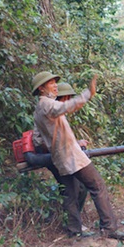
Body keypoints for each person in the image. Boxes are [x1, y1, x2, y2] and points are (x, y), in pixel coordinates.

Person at [32, 70, 124, 240]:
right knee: (97, 186)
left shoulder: (38, 110)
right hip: (72, 156)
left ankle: (74, 230)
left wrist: (57, 144)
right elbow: (66, 107)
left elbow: (38, 139)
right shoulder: (47, 104)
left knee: (70, 193)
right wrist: (87, 94)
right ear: (41, 88)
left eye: (55, 83)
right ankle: (109, 228)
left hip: (60, 158)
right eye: (51, 83)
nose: (55, 86)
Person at [32, 82, 88, 223]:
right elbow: (40, 140)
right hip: (53, 155)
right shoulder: (48, 110)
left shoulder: (57, 113)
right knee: (72, 189)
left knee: (80, 187)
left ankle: (73, 220)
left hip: (64, 154)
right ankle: (71, 223)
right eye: (67, 98)